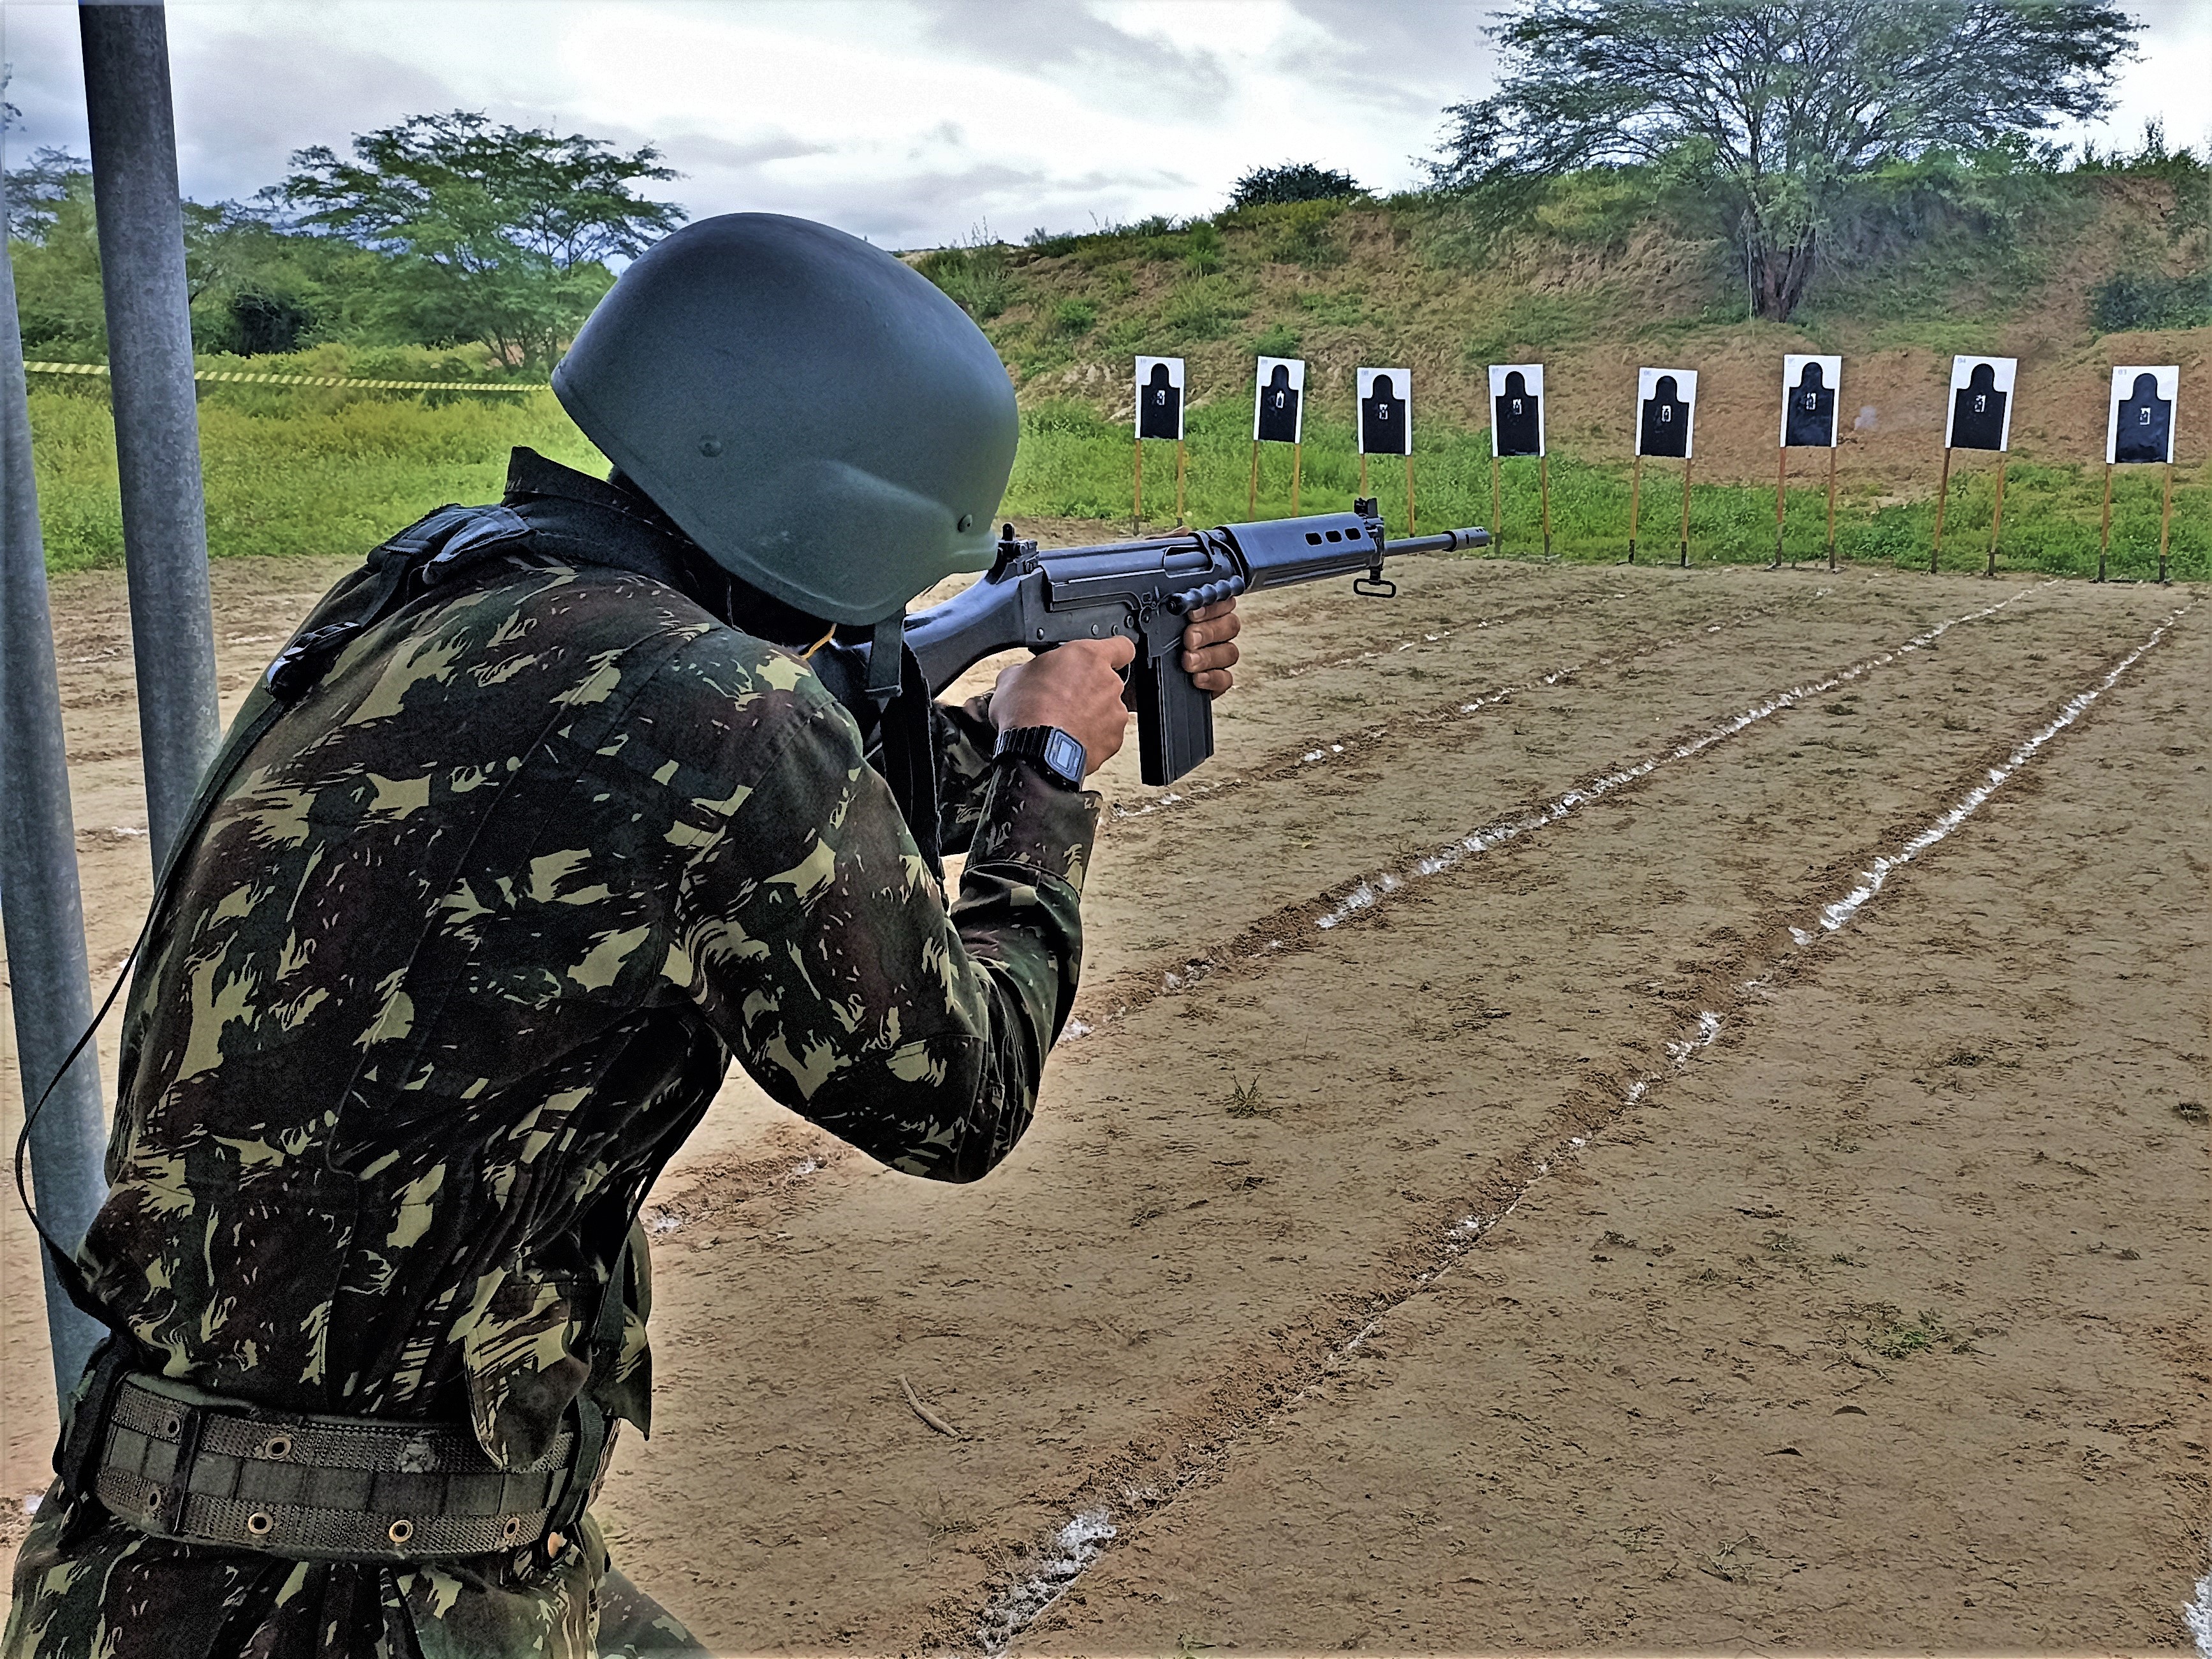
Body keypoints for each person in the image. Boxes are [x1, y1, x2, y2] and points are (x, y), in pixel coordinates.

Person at [3, 214, 1240, 1659]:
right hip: (346, 1593)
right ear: (841, 506)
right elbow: (957, 1097)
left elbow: (713, 845)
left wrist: (1000, 727)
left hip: (177, 1540)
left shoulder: (451, 592)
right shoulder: (717, 712)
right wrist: (1050, 775)